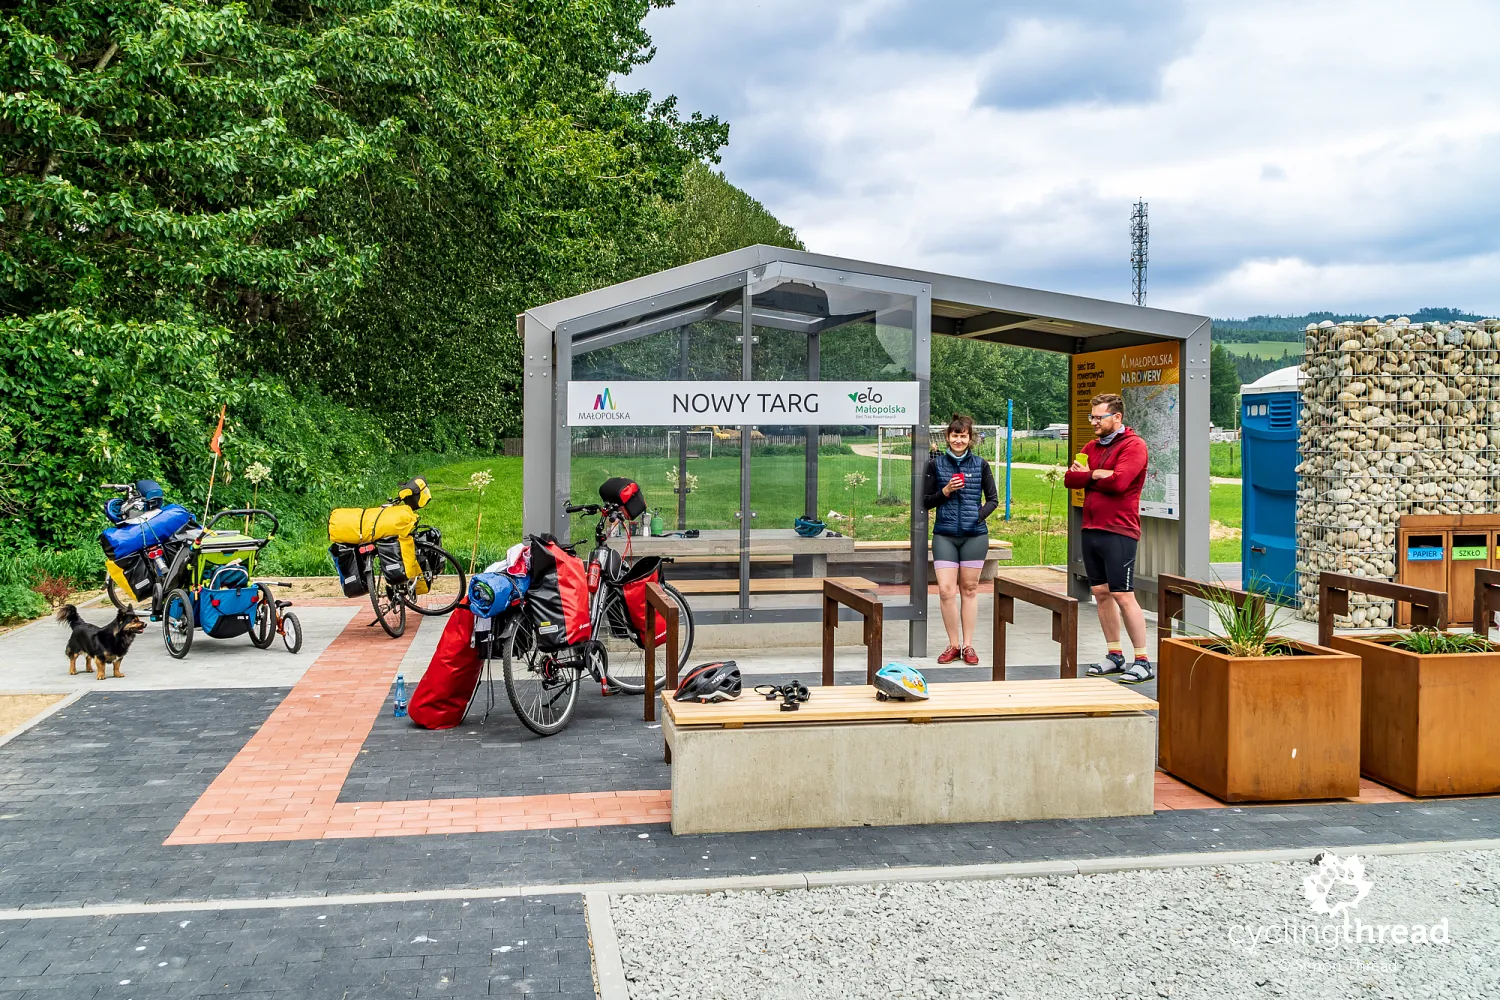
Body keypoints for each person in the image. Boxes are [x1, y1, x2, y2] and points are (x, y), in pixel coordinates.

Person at [1063, 393, 1153, 683]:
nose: (1093, 422)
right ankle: (1115, 655)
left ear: (1117, 417)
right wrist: (1096, 474)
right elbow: (1069, 479)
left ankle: (1142, 660)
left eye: (1098, 417)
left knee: (1123, 595)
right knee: (1101, 594)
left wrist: (1092, 475)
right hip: (1091, 530)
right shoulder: (1090, 446)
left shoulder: (1134, 446)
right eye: (1092, 417)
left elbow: (1120, 482)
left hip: (1119, 531)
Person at [923, 413, 999, 665]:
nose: (958, 440)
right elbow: (926, 501)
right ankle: (952, 645)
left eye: (963, 435)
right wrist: (945, 492)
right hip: (944, 535)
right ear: (947, 437)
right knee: (946, 591)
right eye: (954, 435)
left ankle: (968, 646)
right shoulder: (935, 465)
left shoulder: (980, 465)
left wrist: (977, 517)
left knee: (969, 589)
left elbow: (993, 500)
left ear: (970, 438)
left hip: (974, 536)